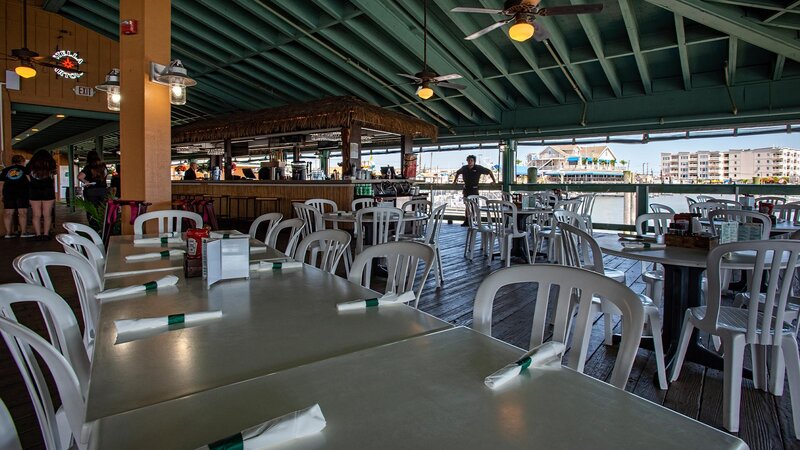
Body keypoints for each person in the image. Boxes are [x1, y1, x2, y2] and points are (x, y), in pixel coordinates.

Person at [454, 155, 496, 226]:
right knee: (467, 206)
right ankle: (467, 221)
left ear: (474, 161)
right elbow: (457, 172)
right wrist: (455, 181)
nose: (470, 162)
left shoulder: (478, 168)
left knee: (473, 205)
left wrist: (494, 181)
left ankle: (472, 220)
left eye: (471, 160)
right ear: (467, 161)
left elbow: (489, 172)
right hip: (466, 189)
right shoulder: (464, 168)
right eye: (469, 160)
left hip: (474, 189)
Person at [26, 150, 57, 240]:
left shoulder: (30, 165)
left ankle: (38, 234)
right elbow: (53, 176)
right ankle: (46, 234)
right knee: (47, 214)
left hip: (34, 191)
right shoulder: (51, 164)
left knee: (36, 215)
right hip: (48, 191)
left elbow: (28, 178)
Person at [1, 155, 33, 238]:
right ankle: (23, 232)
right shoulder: (25, 169)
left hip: (8, 193)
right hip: (22, 193)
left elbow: (1, 184)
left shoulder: (5, 170)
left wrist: (2, 195)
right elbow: (30, 181)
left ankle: (8, 233)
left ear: (12, 162)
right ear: (22, 161)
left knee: (8, 213)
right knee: (22, 212)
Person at [78, 150, 109, 231]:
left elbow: (80, 177)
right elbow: (106, 175)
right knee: (102, 209)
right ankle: (103, 227)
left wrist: (86, 182)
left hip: (91, 191)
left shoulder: (88, 167)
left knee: (91, 210)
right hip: (103, 190)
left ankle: (94, 228)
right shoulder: (103, 166)